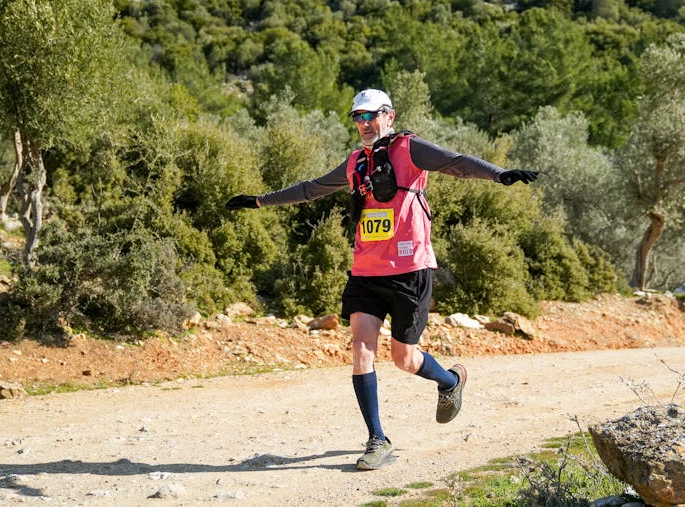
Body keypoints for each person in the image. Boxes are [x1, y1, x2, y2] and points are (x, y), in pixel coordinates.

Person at [224, 88, 538, 471]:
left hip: (410, 270)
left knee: (404, 359)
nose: (364, 124)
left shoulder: (409, 149)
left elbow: (456, 162)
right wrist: (259, 201)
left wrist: (499, 174)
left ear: (389, 115)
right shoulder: (356, 161)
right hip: (365, 272)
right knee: (361, 351)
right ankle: (377, 439)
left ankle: (450, 381)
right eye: (357, 117)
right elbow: (310, 189)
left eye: (370, 115)